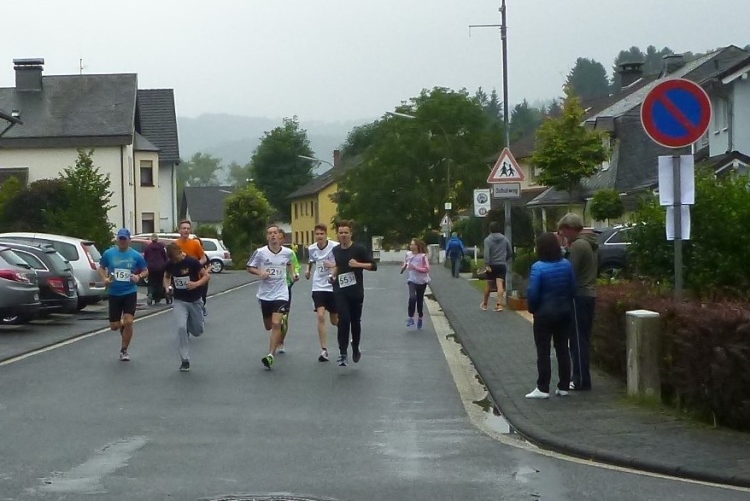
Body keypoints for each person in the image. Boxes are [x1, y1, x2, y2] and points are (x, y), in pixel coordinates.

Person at [525, 233, 577, 399]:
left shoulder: (538, 267)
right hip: (564, 312)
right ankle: (564, 386)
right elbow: (573, 288)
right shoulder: (567, 265)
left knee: (543, 351)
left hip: (544, 314)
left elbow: (533, 292)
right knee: (563, 349)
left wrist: (533, 309)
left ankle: (542, 387)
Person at [558, 213, 598, 391]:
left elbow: (570, 271)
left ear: (570, 228)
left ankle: (580, 379)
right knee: (583, 337)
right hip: (589, 294)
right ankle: (582, 377)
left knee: (577, 339)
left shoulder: (578, 246)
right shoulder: (590, 243)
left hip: (579, 295)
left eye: (563, 231)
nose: (563, 234)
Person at [247, 224, 295, 370]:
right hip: (265, 294)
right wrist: (260, 273)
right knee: (268, 326)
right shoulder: (260, 252)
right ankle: (282, 325)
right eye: (270, 233)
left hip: (281, 293)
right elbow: (250, 267)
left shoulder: (287, 252)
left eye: (275, 232)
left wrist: (293, 274)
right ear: (267, 237)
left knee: (275, 323)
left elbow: (289, 263)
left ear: (279, 235)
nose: (273, 235)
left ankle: (270, 355)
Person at [330, 220, 377, 366]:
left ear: (351, 234)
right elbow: (338, 265)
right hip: (340, 290)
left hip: (356, 291)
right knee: (343, 319)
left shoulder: (359, 249)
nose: (343, 235)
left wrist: (358, 264)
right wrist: (332, 276)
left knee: (355, 321)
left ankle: (355, 346)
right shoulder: (336, 250)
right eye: (341, 233)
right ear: (337, 234)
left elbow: (373, 266)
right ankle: (343, 352)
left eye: (346, 232)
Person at [98, 228, 148, 362]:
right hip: (114, 293)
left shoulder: (136, 255)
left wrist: (138, 276)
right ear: (117, 239)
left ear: (129, 240)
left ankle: (124, 350)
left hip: (129, 292)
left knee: (129, 321)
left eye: (124, 239)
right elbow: (101, 267)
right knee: (114, 326)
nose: (122, 242)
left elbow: (145, 270)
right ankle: (122, 327)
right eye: (120, 239)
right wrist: (104, 279)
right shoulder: (109, 253)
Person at [163, 242, 210, 372]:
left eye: (176, 258)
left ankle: (191, 322)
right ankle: (185, 360)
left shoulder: (192, 262)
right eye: (172, 259)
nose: (175, 261)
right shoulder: (170, 264)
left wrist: (196, 284)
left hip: (195, 300)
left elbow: (206, 276)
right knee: (181, 328)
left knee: (198, 331)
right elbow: (167, 277)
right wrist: (167, 287)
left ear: (180, 252)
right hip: (179, 300)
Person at [306, 224, 339, 362]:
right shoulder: (312, 248)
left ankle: (345, 328)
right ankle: (324, 350)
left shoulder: (335, 247)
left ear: (326, 235)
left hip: (332, 285)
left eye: (322, 234)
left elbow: (341, 263)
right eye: (317, 234)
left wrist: (332, 266)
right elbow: (311, 260)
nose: (319, 236)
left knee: (334, 320)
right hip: (318, 286)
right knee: (320, 316)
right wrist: (308, 271)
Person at [175, 220, 208, 316]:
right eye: (184, 228)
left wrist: (195, 265)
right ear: (179, 230)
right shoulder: (175, 244)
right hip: (180, 276)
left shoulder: (195, 244)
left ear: (190, 231)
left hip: (194, 276)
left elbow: (204, 258)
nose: (186, 230)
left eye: (188, 229)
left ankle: (201, 308)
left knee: (197, 298)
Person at [276, 228, 300, 353]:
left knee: (284, 317)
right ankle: (275, 336)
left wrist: (295, 274)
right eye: (276, 238)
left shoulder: (289, 253)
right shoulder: (267, 253)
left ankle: (281, 341)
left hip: (286, 287)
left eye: (280, 238)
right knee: (274, 320)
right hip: (271, 289)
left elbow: (296, 266)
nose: (278, 241)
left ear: (283, 239)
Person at [481, 221, 513, 312]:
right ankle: (499, 305)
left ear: (490, 229)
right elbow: (510, 252)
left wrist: (486, 264)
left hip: (491, 265)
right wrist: (504, 259)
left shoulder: (487, 240)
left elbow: (486, 253)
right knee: (500, 285)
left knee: (489, 285)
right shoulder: (505, 239)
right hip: (501, 265)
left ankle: (485, 304)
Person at [400, 238, 430, 329]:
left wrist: (415, 268)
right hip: (412, 280)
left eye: (413, 244)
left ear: (417, 246)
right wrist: (404, 267)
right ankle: (411, 317)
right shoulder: (408, 254)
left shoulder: (423, 256)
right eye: (410, 244)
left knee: (419, 300)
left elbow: (427, 269)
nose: (411, 246)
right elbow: (406, 263)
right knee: (412, 298)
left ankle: (420, 316)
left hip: (422, 281)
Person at [143, 234, 168, 305]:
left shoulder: (148, 247)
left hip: (151, 267)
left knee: (151, 281)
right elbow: (165, 257)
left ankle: (150, 293)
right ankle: (158, 297)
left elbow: (145, 257)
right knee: (159, 282)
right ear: (157, 239)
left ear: (151, 239)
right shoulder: (161, 247)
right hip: (160, 267)